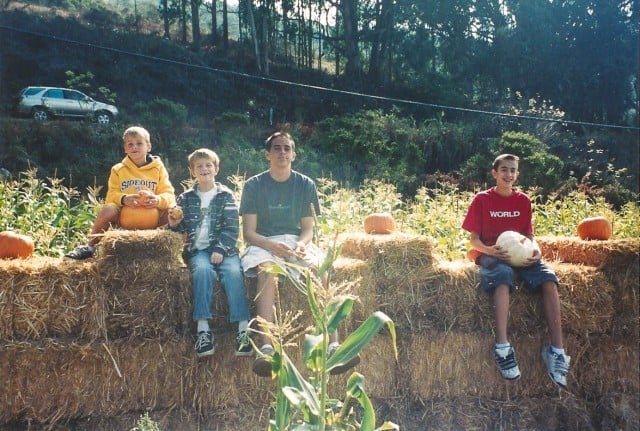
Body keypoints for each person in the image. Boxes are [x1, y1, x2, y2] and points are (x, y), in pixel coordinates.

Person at [240, 131, 360, 377]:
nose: (282, 152)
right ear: (268, 154)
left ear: (293, 154)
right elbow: (249, 234)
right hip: (263, 242)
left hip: (296, 241)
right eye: (277, 148)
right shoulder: (254, 185)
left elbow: (308, 228)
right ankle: (266, 347)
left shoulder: (305, 184)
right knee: (266, 271)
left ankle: (333, 345)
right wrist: (272, 247)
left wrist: (303, 245)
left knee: (320, 269)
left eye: (287, 148)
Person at [462, 153, 570, 387]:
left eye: (512, 170)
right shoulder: (482, 199)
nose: (508, 174)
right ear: (495, 173)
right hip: (492, 254)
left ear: (517, 174)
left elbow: (529, 235)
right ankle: (502, 347)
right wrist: (490, 251)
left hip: (522, 255)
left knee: (549, 279)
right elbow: (474, 241)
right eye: (504, 170)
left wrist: (536, 249)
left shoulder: (523, 201)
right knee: (504, 276)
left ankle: (556, 351)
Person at [168, 148, 251, 358]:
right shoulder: (185, 198)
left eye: (208, 165)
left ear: (216, 168)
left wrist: (220, 248)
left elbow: (232, 227)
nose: (204, 169)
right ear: (192, 171)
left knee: (233, 272)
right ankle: (203, 330)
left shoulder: (225, 195)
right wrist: (173, 223)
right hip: (198, 250)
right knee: (203, 270)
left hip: (225, 248)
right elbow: (179, 229)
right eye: (199, 166)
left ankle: (243, 329)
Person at [65, 126, 175, 260]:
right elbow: (111, 196)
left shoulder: (158, 169)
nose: (135, 147)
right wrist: (124, 199)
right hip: (125, 220)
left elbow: (169, 195)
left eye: (139, 143)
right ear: (125, 149)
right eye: (130, 144)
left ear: (149, 146)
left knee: (173, 210)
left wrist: (157, 199)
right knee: (109, 209)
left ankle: (167, 253)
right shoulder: (118, 169)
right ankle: (89, 247)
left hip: (153, 219)